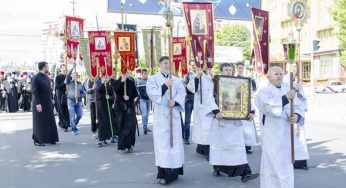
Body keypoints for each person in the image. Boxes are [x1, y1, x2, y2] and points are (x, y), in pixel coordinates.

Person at [206, 63, 259, 182]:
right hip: (221, 122)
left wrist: (251, 111)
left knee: (237, 149)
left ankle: (246, 173)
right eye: (226, 70)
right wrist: (216, 111)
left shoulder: (239, 83)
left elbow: (245, 97)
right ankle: (218, 167)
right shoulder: (215, 83)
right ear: (221, 71)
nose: (229, 72)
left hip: (235, 123)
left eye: (230, 70)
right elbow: (209, 98)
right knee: (222, 148)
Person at [255, 66, 305, 188]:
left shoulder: (287, 89)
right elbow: (271, 109)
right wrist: (286, 97)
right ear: (268, 76)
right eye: (276, 74)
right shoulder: (264, 92)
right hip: (272, 136)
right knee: (273, 163)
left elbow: (299, 107)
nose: (279, 76)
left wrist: (297, 116)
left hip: (287, 135)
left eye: (281, 74)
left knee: (286, 165)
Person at [146, 56, 186, 185]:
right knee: (163, 144)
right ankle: (162, 174)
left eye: (169, 63)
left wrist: (175, 102)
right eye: (164, 63)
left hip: (173, 115)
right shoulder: (153, 79)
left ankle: (174, 172)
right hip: (161, 117)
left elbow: (182, 93)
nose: (167, 65)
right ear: (160, 64)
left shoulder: (176, 79)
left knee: (174, 143)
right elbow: (151, 94)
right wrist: (164, 86)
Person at [284, 63, 309, 170]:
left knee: (300, 138)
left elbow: (303, 98)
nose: (293, 69)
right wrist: (294, 89)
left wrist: (301, 110)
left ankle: (301, 161)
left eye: (295, 67)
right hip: (288, 112)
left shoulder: (298, 81)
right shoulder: (284, 80)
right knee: (289, 138)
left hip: (298, 111)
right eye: (291, 66)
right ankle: (290, 161)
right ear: (286, 68)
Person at [187, 66, 214, 160]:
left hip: (212, 105)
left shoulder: (211, 76)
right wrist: (197, 77)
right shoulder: (196, 75)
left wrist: (213, 76)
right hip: (201, 106)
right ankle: (207, 150)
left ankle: (201, 147)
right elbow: (191, 88)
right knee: (204, 128)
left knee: (210, 128)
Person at [32, 62, 59, 146]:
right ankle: (37, 140)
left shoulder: (46, 77)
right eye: (47, 66)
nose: (48, 68)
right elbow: (34, 91)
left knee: (49, 120)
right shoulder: (36, 77)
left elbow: (49, 89)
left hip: (47, 102)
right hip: (39, 102)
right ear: (43, 67)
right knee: (39, 121)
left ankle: (50, 138)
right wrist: (37, 103)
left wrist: (51, 98)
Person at [235, 62, 258, 154]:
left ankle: (247, 146)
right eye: (239, 68)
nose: (241, 69)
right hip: (236, 103)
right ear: (236, 68)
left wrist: (252, 80)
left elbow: (253, 90)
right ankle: (239, 145)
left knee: (247, 126)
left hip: (246, 102)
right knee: (238, 127)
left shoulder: (247, 78)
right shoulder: (233, 78)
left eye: (242, 68)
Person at [114, 71, 138, 153]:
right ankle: (122, 145)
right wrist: (122, 82)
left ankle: (130, 144)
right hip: (121, 107)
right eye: (124, 72)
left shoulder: (131, 82)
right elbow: (116, 91)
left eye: (127, 72)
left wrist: (129, 97)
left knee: (131, 126)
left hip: (130, 106)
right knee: (122, 126)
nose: (125, 74)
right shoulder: (117, 82)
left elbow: (135, 93)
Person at [65, 65, 86, 135]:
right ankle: (74, 130)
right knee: (72, 117)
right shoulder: (69, 82)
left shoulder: (80, 84)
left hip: (79, 102)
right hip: (71, 101)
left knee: (79, 115)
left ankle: (74, 125)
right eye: (74, 75)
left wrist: (80, 95)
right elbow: (67, 75)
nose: (76, 76)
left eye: (77, 75)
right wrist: (72, 68)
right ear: (72, 76)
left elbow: (84, 93)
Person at [96, 77, 115, 147]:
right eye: (104, 77)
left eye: (106, 78)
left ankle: (105, 138)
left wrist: (109, 97)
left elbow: (113, 96)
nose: (106, 79)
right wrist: (102, 83)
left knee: (107, 122)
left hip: (108, 106)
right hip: (101, 105)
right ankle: (100, 140)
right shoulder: (99, 85)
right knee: (101, 122)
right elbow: (98, 91)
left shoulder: (110, 87)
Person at [183, 61, 196, 145]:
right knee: (187, 121)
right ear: (189, 66)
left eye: (195, 65)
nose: (194, 66)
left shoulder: (200, 74)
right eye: (192, 65)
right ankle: (186, 138)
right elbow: (186, 88)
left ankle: (199, 140)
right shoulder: (186, 76)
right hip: (189, 100)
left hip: (197, 100)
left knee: (199, 120)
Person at [55, 65, 70, 131]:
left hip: (68, 94)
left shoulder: (68, 76)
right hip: (60, 94)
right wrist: (64, 82)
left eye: (65, 67)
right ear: (60, 69)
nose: (65, 69)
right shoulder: (58, 77)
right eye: (63, 67)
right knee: (61, 109)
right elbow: (57, 87)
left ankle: (67, 123)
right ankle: (64, 125)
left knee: (67, 109)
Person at [137, 69, 152, 135]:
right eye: (144, 73)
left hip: (148, 100)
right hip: (143, 100)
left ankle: (146, 126)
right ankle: (144, 127)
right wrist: (148, 96)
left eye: (146, 73)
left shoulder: (149, 81)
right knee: (144, 114)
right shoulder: (140, 82)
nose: (146, 75)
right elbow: (141, 92)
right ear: (142, 74)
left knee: (147, 115)